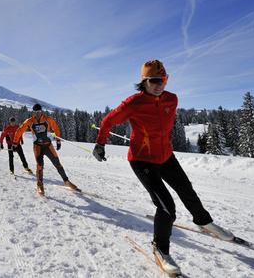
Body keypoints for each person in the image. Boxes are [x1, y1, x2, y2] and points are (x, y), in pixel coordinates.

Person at [91, 59, 234, 276]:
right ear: (144, 81)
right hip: (141, 160)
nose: (159, 84)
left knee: (187, 190)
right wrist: (100, 144)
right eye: (154, 80)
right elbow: (108, 120)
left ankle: (204, 222)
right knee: (167, 207)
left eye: (163, 79)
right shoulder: (133, 103)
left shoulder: (172, 99)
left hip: (165, 156)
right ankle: (160, 248)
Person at [13, 103, 79, 196]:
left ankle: (66, 181)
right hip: (38, 146)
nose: (37, 114)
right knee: (39, 166)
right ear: (33, 112)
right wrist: (15, 143)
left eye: (39, 112)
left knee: (57, 163)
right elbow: (19, 130)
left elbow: (56, 128)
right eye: (35, 112)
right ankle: (40, 185)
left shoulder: (48, 119)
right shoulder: (30, 121)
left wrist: (58, 140)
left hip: (48, 145)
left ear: (41, 111)